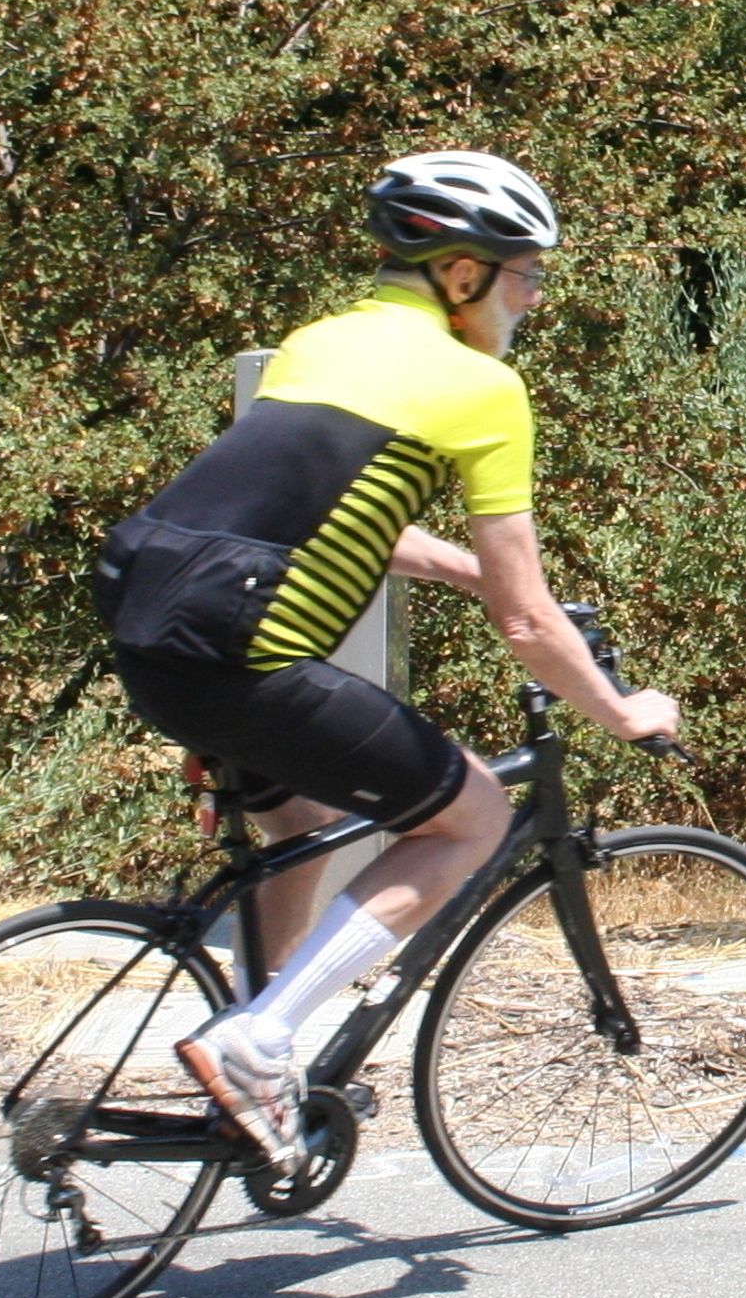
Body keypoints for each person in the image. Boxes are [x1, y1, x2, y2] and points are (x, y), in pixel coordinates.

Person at [92, 151, 676, 1161]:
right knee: (474, 818)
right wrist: (622, 712)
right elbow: (531, 623)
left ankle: (259, 1067)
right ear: (463, 274)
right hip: (251, 655)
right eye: (527, 274)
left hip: (154, 631)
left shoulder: (316, 345)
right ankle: (261, 1041)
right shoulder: (480, 386)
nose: (532, 299)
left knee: (299, 829)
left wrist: (462, 573)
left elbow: (331, 519)